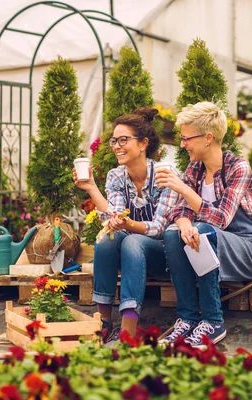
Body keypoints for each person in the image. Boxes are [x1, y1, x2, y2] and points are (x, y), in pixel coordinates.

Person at [155, 102, 252, 347]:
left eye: (186, 138)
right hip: (211, 240)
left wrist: (183, 189)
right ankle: (187, 319)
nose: (182, 143)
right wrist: (185, 225)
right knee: (172, 234)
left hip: (249, 248)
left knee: (205, 230)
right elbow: (180, 210)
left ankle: (213, 320)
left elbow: (221, 219)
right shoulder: (195, 169)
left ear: (208, 137)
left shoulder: (238, 167)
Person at [74, 107, 178, 342]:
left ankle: (127, 333)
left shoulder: (164, 174)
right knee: (107, 238)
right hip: (131, 257)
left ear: (143, 144)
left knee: (131, 240)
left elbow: (159, 227)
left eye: (123, 140)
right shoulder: (116, 176)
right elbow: (114, 215)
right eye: (114, 141)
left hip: (164, 255)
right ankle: (103, 323)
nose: (116, 146)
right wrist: (91, 187)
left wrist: (126, 223)